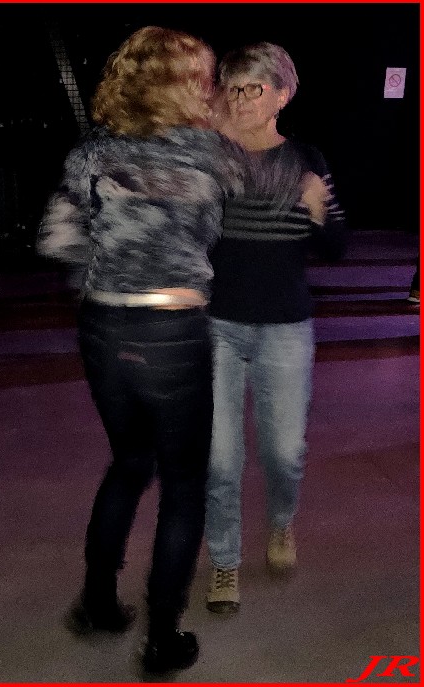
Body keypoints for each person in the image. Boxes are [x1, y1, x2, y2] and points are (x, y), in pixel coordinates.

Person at [37, 27, 250, 673]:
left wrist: (106, 264)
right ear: (189, 85)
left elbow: (55, 241)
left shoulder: (92, 153)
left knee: (129, 463)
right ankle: (162, 637)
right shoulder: (214, 153)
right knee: (183, 485)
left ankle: (97, 603)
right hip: (173, 330)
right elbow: (224, 224)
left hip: (104, 326)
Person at [204, 42, 346, 613]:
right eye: (232, 87)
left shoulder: (305, 159)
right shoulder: (210, 158)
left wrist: (317, 207)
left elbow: (336, 247)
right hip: (215, 324)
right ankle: (224, 559)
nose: (240, 99)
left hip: (285, 326)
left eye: (254, 88)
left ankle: (282, 522)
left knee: (285, 452)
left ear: (282, 95)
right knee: (219, 458)